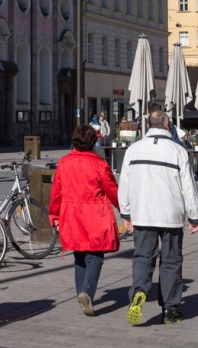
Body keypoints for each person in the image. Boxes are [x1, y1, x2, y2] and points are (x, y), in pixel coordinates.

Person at [118, 108, 198, 325]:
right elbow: (189, 187)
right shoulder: (177, 151)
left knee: (143, 257)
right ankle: (170, 309)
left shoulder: (133, 150)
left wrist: (126, 213)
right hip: (171, 215)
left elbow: (124, 184)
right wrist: (195, 216)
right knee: (171, 261)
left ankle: (139, 291)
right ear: (168, 126)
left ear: (147, 127)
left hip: (142, 213)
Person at [50, 124, 121, 316]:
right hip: (94, 214)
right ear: (93, 141)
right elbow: (112, 190)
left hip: (71, 214)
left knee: (80, 255)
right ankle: (86, 292)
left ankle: (82, 292)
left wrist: (54, 214)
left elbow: (56, 191)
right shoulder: (99, 164)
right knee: (95, 255)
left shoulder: (64, 162)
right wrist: (125, 209)